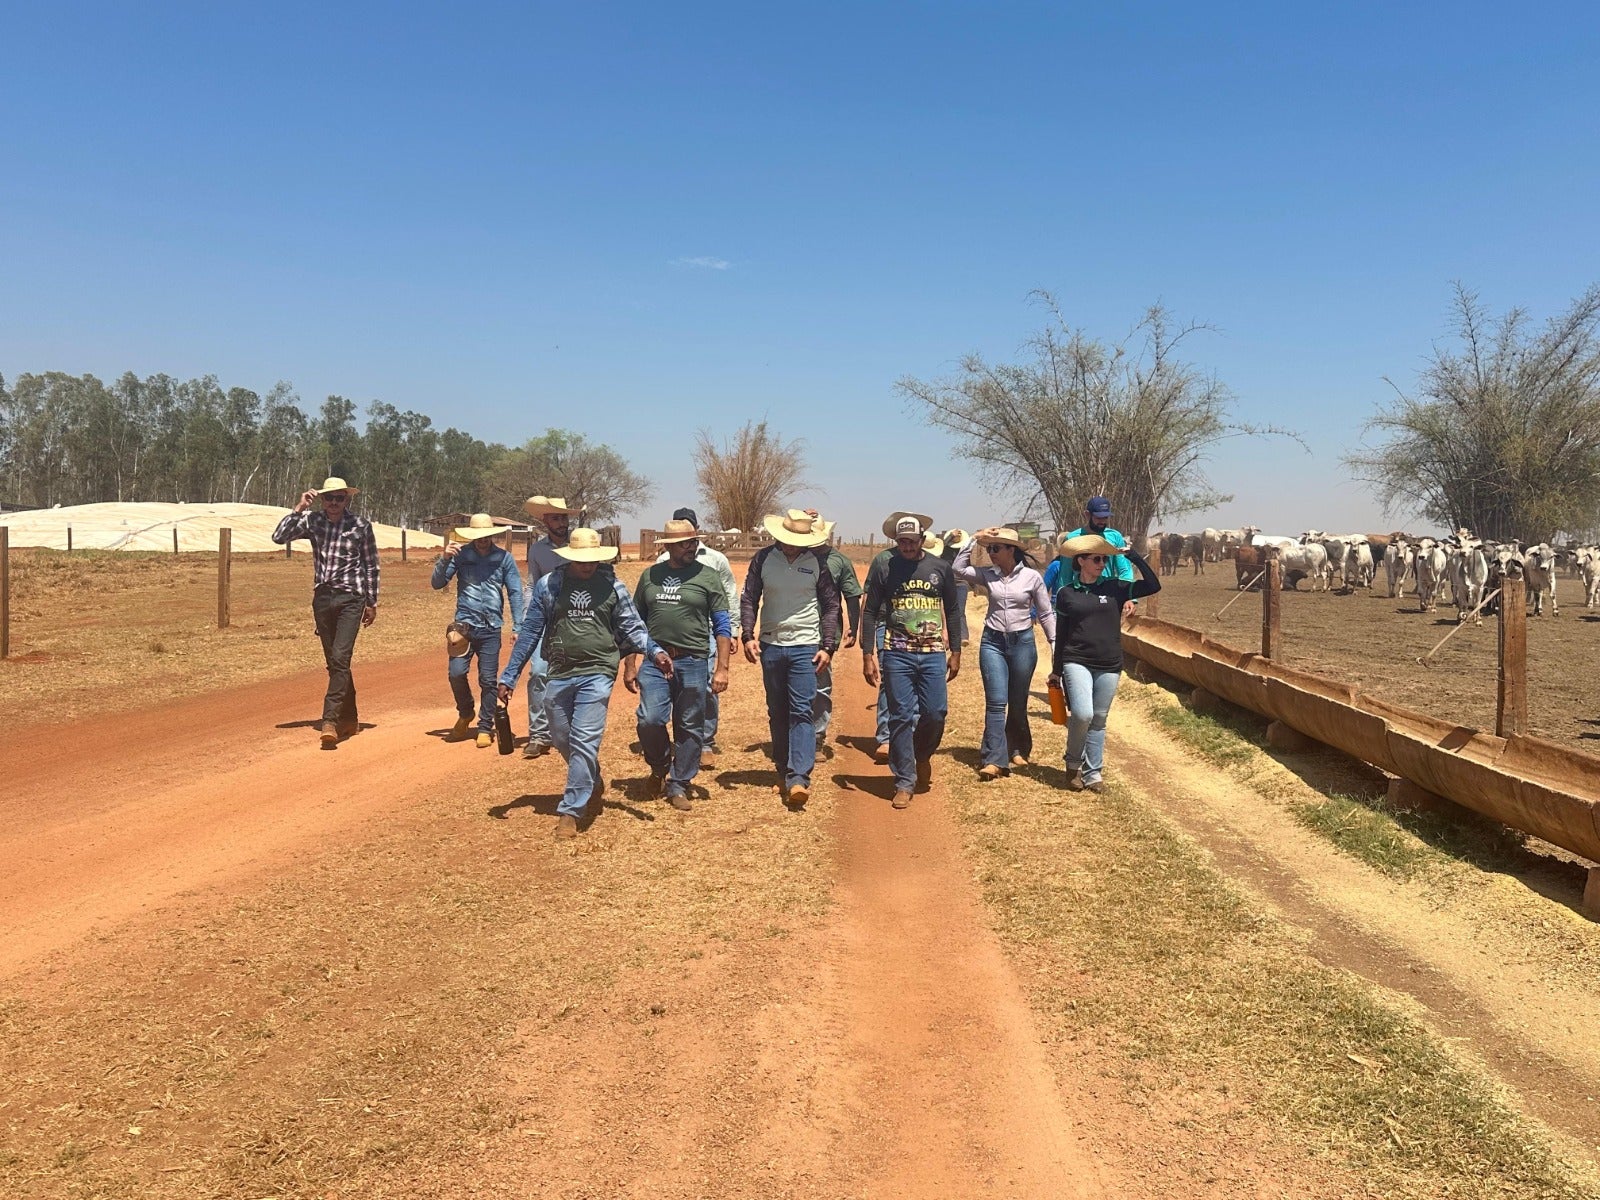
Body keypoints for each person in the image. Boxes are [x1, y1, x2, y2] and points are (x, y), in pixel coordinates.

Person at [498, 528, 670, 839]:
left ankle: (570, 811)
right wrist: (510, 675)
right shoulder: (550, 586)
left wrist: (654, 651)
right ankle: (590, 776)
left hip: (598, 671)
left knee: (583, 741)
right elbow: (530, 633)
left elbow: (633, 627)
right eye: (582, 560)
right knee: (562, 737)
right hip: (560, 671)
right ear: (570, 558)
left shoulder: (612, 587)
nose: (588, 565)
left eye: (592, 560)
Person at [628, 517, 733, 811]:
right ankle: (659, 766)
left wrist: (722, 668)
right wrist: (629, 664)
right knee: (649, 719)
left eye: (694, 541)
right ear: (670, 546)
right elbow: (634, 624)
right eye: (684, 543)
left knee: (689, 724)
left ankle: (679, 783)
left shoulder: (708, 576)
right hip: (656, 660)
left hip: (694, 660)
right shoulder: (650, 576)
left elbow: (722, 624)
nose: (691, 547)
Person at [739, 509, 842, 808]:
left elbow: (830, 604)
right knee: (777, 709)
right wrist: (747, 634)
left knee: (801, 709)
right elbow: (749, 597)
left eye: (799, 540)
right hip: (771, 645)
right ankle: (784, 770)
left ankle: (799, 778)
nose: (793, 545)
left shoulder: (818, 564)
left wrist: (827, 646)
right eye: (789, 539)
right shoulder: (762, 559)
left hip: (805, 647)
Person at [271, 476, 379, 748]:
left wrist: (371, 602)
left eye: (339, 498)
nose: (333, 503)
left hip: (352, 598)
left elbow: (371, 565)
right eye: (329, 498)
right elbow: (278, 537)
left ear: (347, 500)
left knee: (341, 657)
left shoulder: (360, 526)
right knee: (335, 661)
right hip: (323, 597)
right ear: (321, 499)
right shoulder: (312, 521)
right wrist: (298, 508)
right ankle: (350, 718)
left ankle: (329, 720)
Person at [861, 511, 960, 810]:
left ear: (921, 540)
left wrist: (956, 651)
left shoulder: (939, 568)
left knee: (936, 713)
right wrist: (868, 654)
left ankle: (921, 755)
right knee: (901, 716)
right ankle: (904, 780)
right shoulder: (885, 568)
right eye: (901, 541)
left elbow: (953, 611)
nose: (906, 547)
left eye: (911, 541)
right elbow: (869, 612)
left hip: (932, 653)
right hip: (896, 652)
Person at [1048, 533, 1161, 792]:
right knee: (1083, 713)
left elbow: (1154, 585)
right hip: (1076, 660)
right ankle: (1073, 764)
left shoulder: (1115, 588)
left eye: (1104, 559)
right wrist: (1056, 671)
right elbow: (1062, 634)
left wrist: (1132, 557)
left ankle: (1093, 774)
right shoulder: (1066, 593)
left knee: (1099, 719)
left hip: (1109, 663)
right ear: (1081, 561)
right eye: (1097, 559)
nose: (1102, 564)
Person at [953, 527, 1056, 779]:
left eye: (996, 548)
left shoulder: (1032, 578)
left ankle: (1018, 747)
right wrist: (974, 539)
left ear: (1012, 550)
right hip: (993, 642)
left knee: (1018, 701)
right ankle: (994, 759)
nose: (991, 553)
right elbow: (957, 569)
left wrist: (1055, 644)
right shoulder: (988, 575)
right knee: (996, 701)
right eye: (989, 549)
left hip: (1023, 642)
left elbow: (1044, 612)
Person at [431, 513, 525, 748]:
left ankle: (485, 727)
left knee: (488, 680)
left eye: (486, 536)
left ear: (492, 535)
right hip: (463, 627)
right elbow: (437, 583)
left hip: (491, 628)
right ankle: (465, 713)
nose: (483, 540)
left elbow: (514, 592)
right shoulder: (462, 556)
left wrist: (518, 626)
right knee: (456, 673)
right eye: (478, 536)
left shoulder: (504, 558)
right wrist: (444, 559)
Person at [655, 506, 739, 767]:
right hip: (672, 639)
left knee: (707, 687)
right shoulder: (660, 564)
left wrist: (732, 629)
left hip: (708, 631)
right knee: (676, 689)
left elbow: (729, 594)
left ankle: (705, 741)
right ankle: (681, 740)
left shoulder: (716, 559)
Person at [805, 510, 862, 759]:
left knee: (819, 686)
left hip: (825, 634)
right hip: (794, 632)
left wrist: (854, 625)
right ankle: (795, 736)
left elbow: (851, 595)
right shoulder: (792, 555)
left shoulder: (839, 561)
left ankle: (817, 737)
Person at [521, 495, 572, 759]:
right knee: (539, 673)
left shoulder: (581, 545)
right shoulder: (538, 551)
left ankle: (568, 731)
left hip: (577, 621)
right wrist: (526, 621)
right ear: (545, 521)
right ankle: (539, 734)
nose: (561, 522)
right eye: (556, 518)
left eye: (563, 517)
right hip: (546, 620)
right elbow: (531, 584)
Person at [1044, 496, 1137, 619]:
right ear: (1087, 515)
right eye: (1098, 517)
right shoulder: (1073, 538)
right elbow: (1065, 575)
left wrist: (1129, 597)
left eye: (1105, 517)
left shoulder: (1115, 537)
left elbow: (1125, 570)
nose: (1102, 521)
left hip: (1108, 596)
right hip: (1081, 597)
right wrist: (1065, 603)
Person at [938, 528, 971, 646]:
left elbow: (969, 568)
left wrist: (973, 585)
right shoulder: (945, 550)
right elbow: (943, 544)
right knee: (946, 610)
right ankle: (948, 635)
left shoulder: (964, 552)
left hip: (961, 583)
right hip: (947, 583)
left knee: (960, 610)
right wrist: (950, 537)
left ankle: (963, 636)